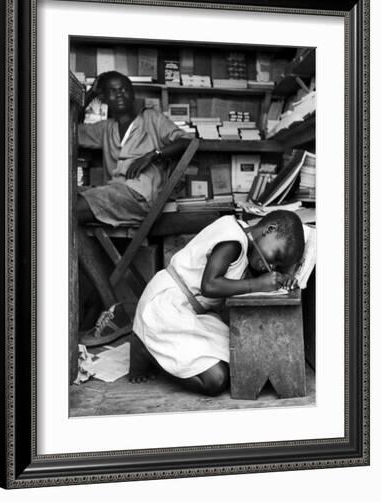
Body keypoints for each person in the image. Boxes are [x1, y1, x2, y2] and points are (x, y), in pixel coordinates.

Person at [129, 210, 305, 396]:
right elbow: (210, 286)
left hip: (190, 313)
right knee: (215, 380)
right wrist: (258, 284)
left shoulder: (246, 243)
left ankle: (158, 348)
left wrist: (283, 279)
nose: (272, 266)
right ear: (270, 229)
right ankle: (147, 349)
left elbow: (250, 278)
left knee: (242, 360)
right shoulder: (233, 241)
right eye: (276, 256)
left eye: (278, 266)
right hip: (164, 308)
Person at [76, 71, 190, 346]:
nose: (121, 95)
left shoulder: (151, 119)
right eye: (112, 92)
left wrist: (155, 154)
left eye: (125, 89)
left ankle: (112, 308)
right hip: (113, 196)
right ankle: (109, 306)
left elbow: (186, 141)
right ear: (103, 99)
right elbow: (71, 132)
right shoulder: (105, 129)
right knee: (66, 212)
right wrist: (86, 100)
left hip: (138, 197)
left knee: (66, 212)